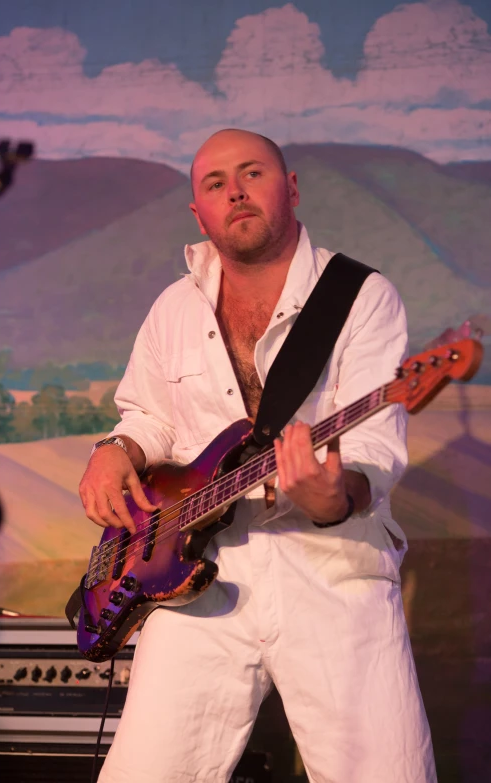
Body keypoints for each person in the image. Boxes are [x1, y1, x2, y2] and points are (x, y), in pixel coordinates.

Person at [79, 129, 437, 783]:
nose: (235, 191)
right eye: (215, 183)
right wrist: (115, 449)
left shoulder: (360, 295)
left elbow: (371, 446)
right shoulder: (173, 307)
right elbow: (151, 417)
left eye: (252, 173)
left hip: (333, 569)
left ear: (291, 187)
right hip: (196, 576)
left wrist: (334, 495)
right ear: (198, 212)